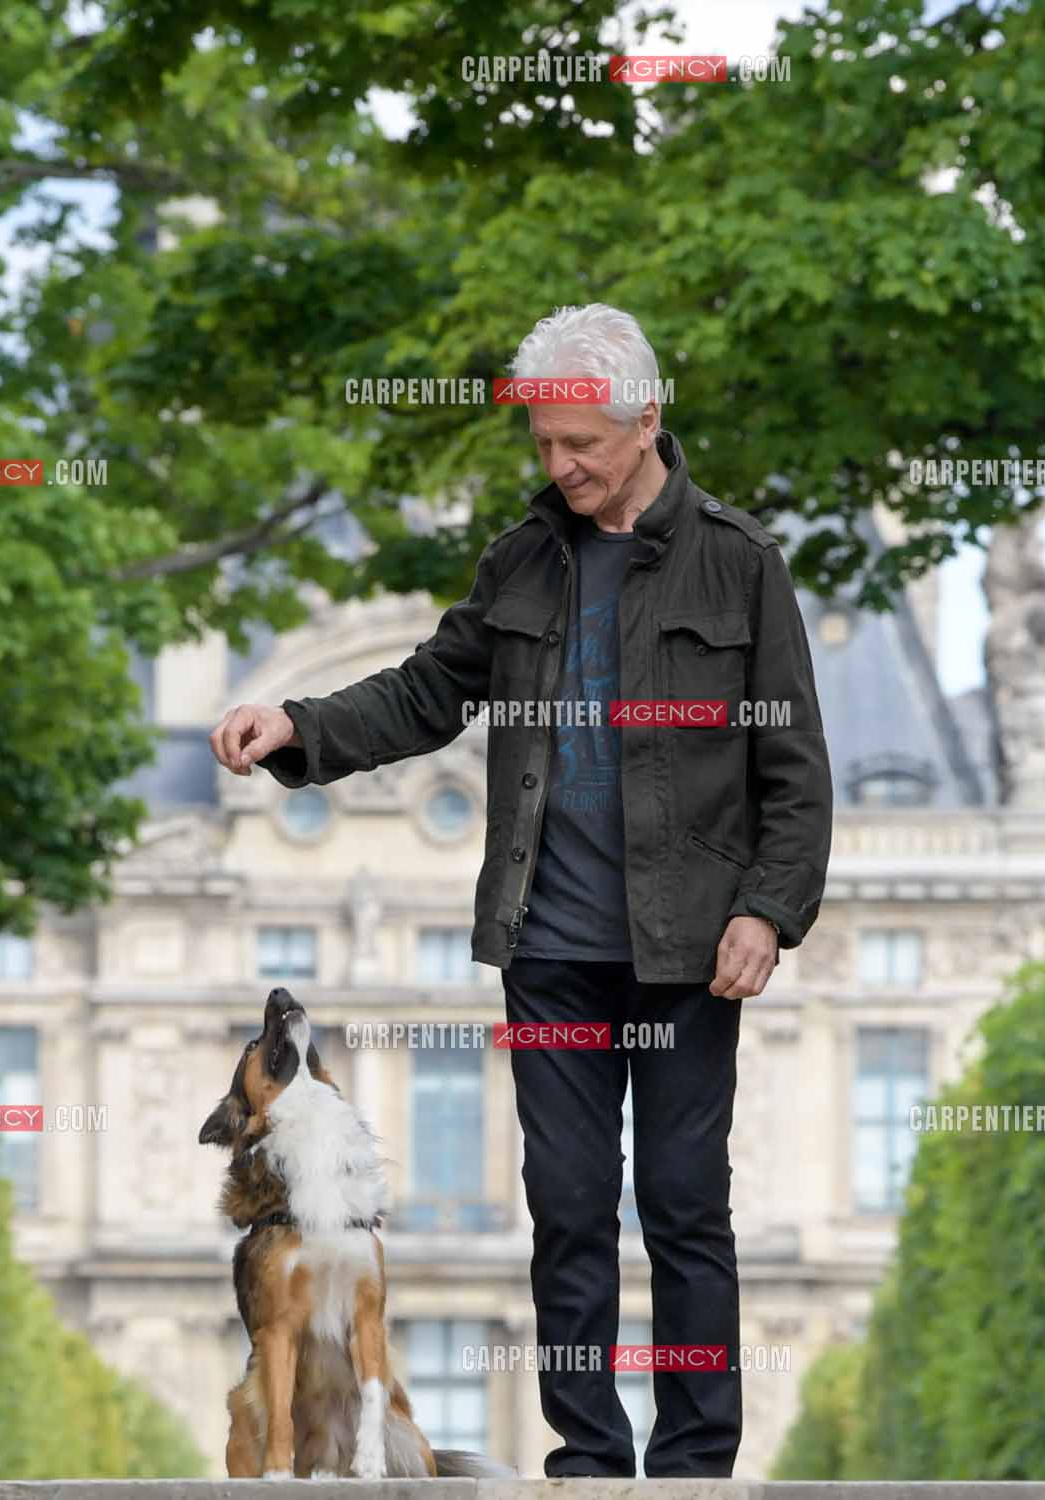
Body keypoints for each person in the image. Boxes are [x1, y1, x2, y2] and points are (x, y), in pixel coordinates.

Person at [210, 302, 833, 1477]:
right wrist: (296, 726)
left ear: (645, 420)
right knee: (570, 1209)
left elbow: (795, 770)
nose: (558, 466)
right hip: (550, 942)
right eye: (543, 444)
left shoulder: (740, 563)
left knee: (689, 1208)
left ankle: (697, 1461)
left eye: (579, 445)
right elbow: (424, 693)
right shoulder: (523, 562)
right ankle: (589, 1460)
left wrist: (767, 909)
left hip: (688, 946)